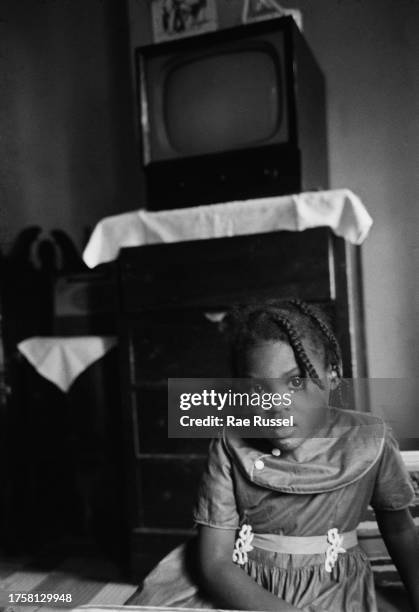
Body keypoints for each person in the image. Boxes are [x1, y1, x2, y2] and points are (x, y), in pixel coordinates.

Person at [132, 300, 419, 611]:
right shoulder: (231, 444)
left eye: (296, 382)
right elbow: (214, 564)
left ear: (333, 373)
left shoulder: (370, 438)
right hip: (245, 590)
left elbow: (400, 529)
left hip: (334, 591)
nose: (276, 404)